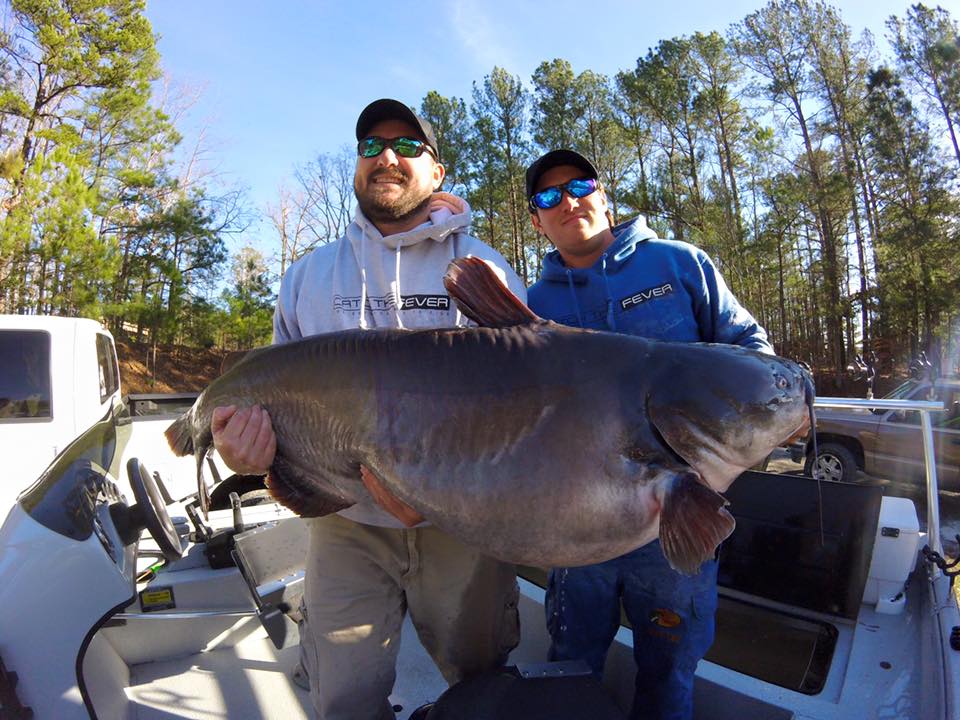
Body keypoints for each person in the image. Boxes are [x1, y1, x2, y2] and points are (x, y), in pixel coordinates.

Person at [212, 98, 523, 720]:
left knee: (482, 685)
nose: (387, 157)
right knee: (342, 698)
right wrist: (243, 450)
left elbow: (519, 409)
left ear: (437, 172)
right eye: (371, 146)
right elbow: (271, 405)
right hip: (344, 521)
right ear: (356, 166)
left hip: (461, 524)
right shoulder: (308, 276)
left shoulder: (483, 268)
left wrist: (435, 491)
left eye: (408, 146)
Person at [525, 149, 773, 720]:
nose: (568, 201)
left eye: (580, 185)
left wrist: (758, 424)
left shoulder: (678, 264)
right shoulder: (533, 307)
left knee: (669, 673)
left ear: (604, 196)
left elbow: (752, 357)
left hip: (680, 520)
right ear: (537, 222)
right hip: (575, 528)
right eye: (549, 196)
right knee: (571, 668)